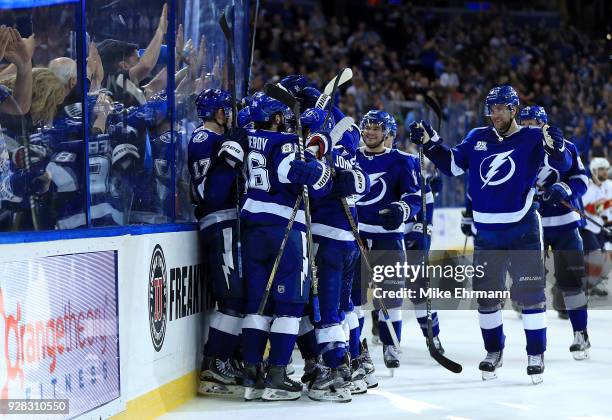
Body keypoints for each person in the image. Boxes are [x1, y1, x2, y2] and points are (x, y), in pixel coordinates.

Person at [408, 85, 571, 384]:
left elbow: (562, 165)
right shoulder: (477, 137)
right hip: (487, 234)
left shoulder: (534, 137)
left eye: (500, 108)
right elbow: (453, 166)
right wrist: (431, 143)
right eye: (491, 108)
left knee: (531, 296)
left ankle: (536, 353)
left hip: (523, 229)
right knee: (487, 298)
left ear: (514, 109)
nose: (494, 114)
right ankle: (493, 351)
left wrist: (558, 148)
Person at [240, 93, 332, 401]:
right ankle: (277, 375)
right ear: (278, 117)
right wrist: (320, 169)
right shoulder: (287, 142)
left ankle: (251, 375)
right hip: (285, 227)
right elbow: (291, 175)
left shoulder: (247, 136)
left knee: (257, 304)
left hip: (252, 225)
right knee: (291, 305)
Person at [519, 105, 591, 360]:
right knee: (530, 285)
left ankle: (580, 333)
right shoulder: (515, 149)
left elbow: (583, 180)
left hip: (564, 225)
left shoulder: (566, 146)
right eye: (523, 122)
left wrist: (564, 188)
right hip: (531, 226)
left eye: (532, 123)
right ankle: (536, 343)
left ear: (543, 124)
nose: (527, 127)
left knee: (571, 283)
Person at [355, 109, 423, 369]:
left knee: (391, 297)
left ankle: (391, 345)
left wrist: (402, 210)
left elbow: (414, 197)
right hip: (357, 235)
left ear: (388, 133)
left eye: (376, 128)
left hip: (388, 239)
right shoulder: (350, 156)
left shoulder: (403, 160)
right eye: (367, 126)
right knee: (354, 300)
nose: (370, 132)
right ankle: (356, 346)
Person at [188, 88, 244, 397]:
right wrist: (231, 157)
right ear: (220, 113)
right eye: (228, 110)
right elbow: (214, 193)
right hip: (219, 220)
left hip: (222, 220)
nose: (232, 115)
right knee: (233, 298)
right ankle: (215, 362)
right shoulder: (208, 139)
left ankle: (226, 358)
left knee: (236, 295)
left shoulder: (205, 139)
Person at [581, 157, 612, 297]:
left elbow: (603, 210)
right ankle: (582, 286)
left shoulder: (607, 186)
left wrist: (607, 218)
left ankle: (592, 284)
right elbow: (591, 209)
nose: (605, 172)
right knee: (594, 254)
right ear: (594, 171)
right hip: (586, 227)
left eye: (606, 169)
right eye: (601, 169)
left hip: (599, 226)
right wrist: (608, 203)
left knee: (603, 256)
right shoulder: (587, 186)